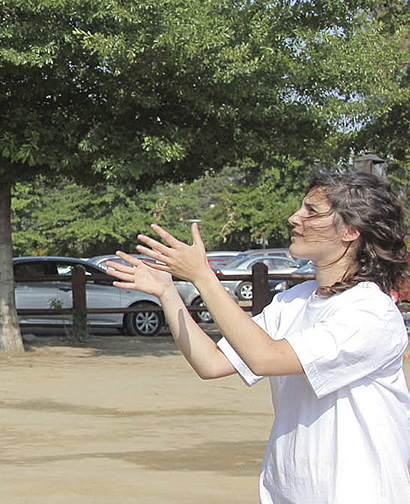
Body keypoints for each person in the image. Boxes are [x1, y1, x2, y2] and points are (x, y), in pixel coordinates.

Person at [106, 170, 410, 503]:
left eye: (312, 211)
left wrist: (202, 276)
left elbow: (265, 358)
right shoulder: (292, 302)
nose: (295, 218)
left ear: (351, 231)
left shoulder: (370, 313)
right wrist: (166, 292)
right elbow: (211, 363)